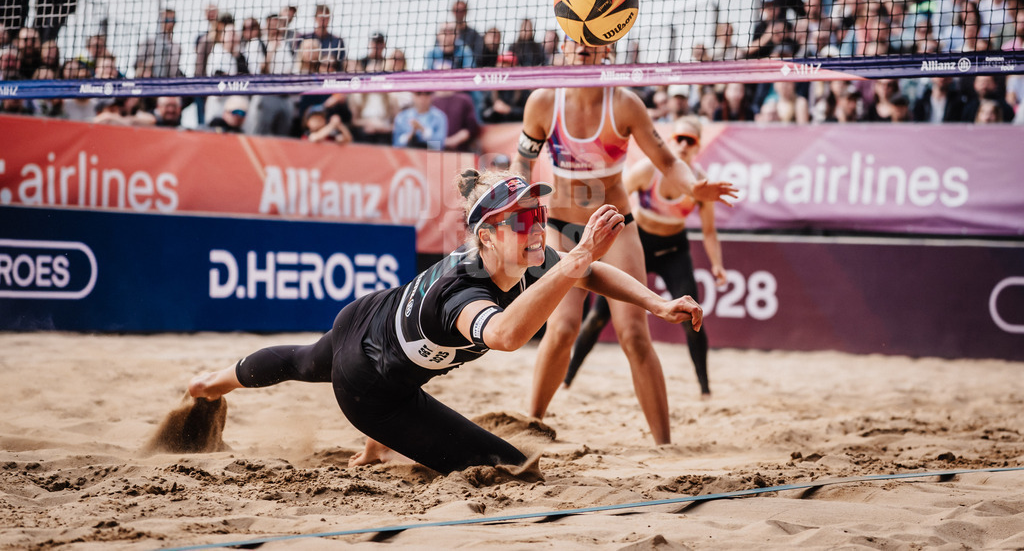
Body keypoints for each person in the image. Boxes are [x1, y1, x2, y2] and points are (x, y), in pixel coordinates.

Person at [186, 171, 703, 474]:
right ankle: (372, 434)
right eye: (522, 220)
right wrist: (574, 262)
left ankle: (210, 384)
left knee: (303, 361)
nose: (537, 227)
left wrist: (656, 304)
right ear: (486, 237)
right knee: (509, 469)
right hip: (371, 390)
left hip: (367, 317)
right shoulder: (465, 292)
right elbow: (505, 336)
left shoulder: (520, 256)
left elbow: (592, 273)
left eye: (539, 216)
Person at [512, 35, 736, 445]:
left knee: (633, 333)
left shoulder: (625, 104)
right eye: (575, 37)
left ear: (608, 48)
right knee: (562, 329)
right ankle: (530, 428)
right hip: (562, 227)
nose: (583, 44)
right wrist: (518, 209)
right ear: (563, 45)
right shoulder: (543, 101)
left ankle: (664, 446)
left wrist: (693, 187)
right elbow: (522, 163)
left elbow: (667, 160)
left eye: (593, 37)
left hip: (614, 224)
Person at [564, 116, 726, 396]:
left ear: (698, 146)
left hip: (674, 250)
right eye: (679, 138)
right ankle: (567, 380)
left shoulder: (700, 184)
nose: (684, 145)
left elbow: (709, 232)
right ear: (670, 141)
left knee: (692, 316)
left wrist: (717, 266)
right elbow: (612, 203)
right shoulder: (647, 171)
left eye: (690, 140)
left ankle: (705, 390)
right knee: (598, 317)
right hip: (638, 244)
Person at [135, 9, 183, 78]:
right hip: (151, 81)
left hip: (170, 82)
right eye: (167, 20)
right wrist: (150, 64)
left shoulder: (177, 47)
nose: (170, 24)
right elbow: (138, 64)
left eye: (173, 20)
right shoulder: (149, 42)